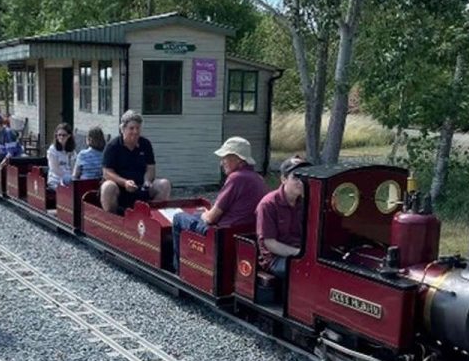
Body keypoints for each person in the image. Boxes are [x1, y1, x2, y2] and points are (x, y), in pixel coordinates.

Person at [172, 137, 268, 271]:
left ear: (238, 159)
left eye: (225, 157)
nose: (222, 162)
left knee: (179, 218)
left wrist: (204, 215)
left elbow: (211, 218)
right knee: (197, 215)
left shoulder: (236, 178)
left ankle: (179, 270)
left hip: (223, 234)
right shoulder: (258, 179)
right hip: (246, 232)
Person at [100, 110, 171, 213]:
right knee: (108, 187)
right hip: (120, 188)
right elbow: (107, 173)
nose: (135, 131)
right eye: (131, 128)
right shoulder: (112, 146)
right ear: (123, 129)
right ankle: (113, 220)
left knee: (165, 184)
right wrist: (124, 183)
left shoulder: (145, 144)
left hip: (141, 187)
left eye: (138, 128)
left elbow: (151, 168)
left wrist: (147, 180)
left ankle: (151, 216)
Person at [256, 156, 312, 279]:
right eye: (296, 177)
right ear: (283, 179)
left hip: (300, 254)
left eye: (304, 177)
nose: (301, 182)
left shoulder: (305, 203)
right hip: (275, 259)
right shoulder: (268, 204)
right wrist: (300, 253)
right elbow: (270, 243)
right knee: (307, 274)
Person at [47, 123, 75, 189]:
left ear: (69, 136)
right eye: (59, 135)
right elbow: (54, 169)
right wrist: (66, 176)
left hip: (70, 180)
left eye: (64, 135)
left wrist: (73, 177)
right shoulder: (52, 150)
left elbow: (73, 167)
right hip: (55, 180)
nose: (61, 137)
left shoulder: (72, 151)